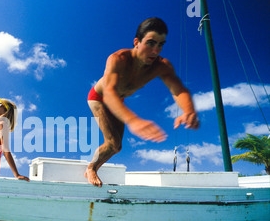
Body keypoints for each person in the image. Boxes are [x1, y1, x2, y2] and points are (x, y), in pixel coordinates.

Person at [85, 17, 200, 187]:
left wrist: (189, 110)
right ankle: (91, 168)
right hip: (99, 98)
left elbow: (179, 90)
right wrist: (132, 120)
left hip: (119, 100)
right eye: (151, 43)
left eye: (161, 44)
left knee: (117, 148)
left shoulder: (161, 66)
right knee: (113, 142)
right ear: (136, 42)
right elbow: (109, 93)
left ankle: (93, 167)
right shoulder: (118, 59)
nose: (156, 50)